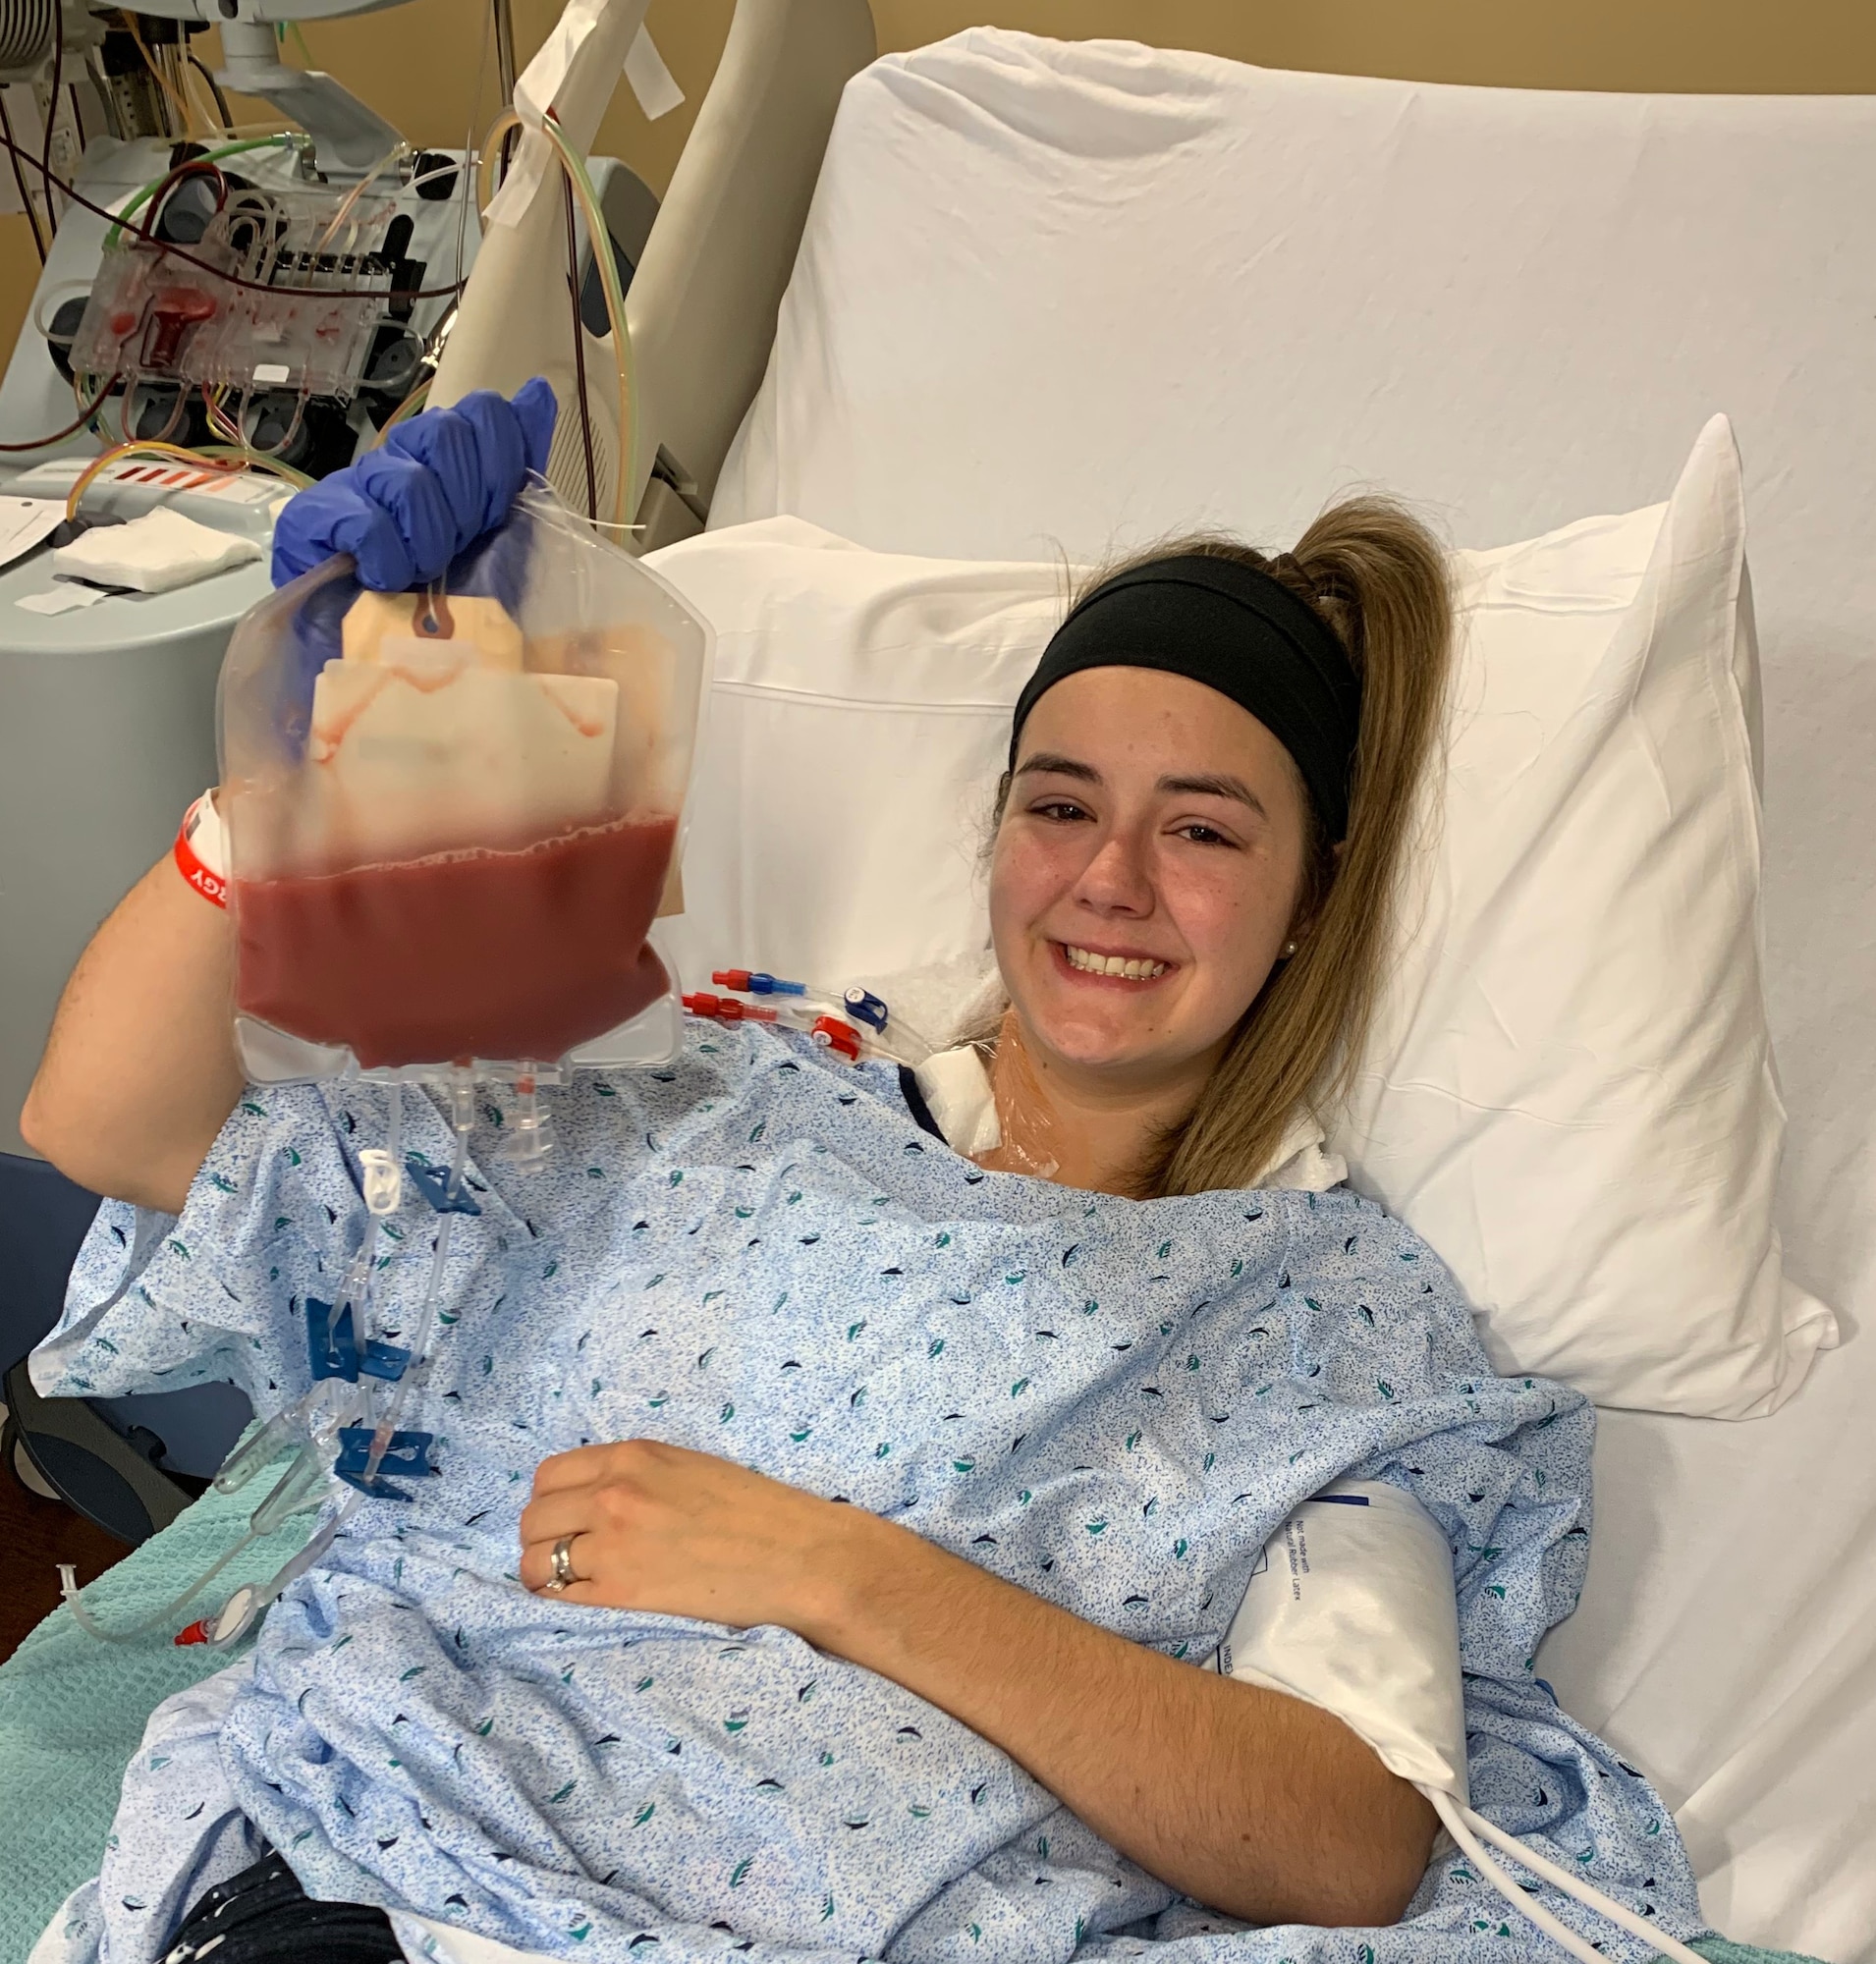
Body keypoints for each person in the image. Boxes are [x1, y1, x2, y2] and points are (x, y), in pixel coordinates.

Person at [21, 387, 1708, 1964]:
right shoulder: (715, 1098)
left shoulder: (1320, 1311)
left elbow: (1341, 1841)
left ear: (1315, 891)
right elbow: (122, 1129)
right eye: (1060, 807)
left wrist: (833, 1568)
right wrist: (267, 795)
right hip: (375, 1866)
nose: (1108, 881)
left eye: (1201, 829)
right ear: (991, 835)